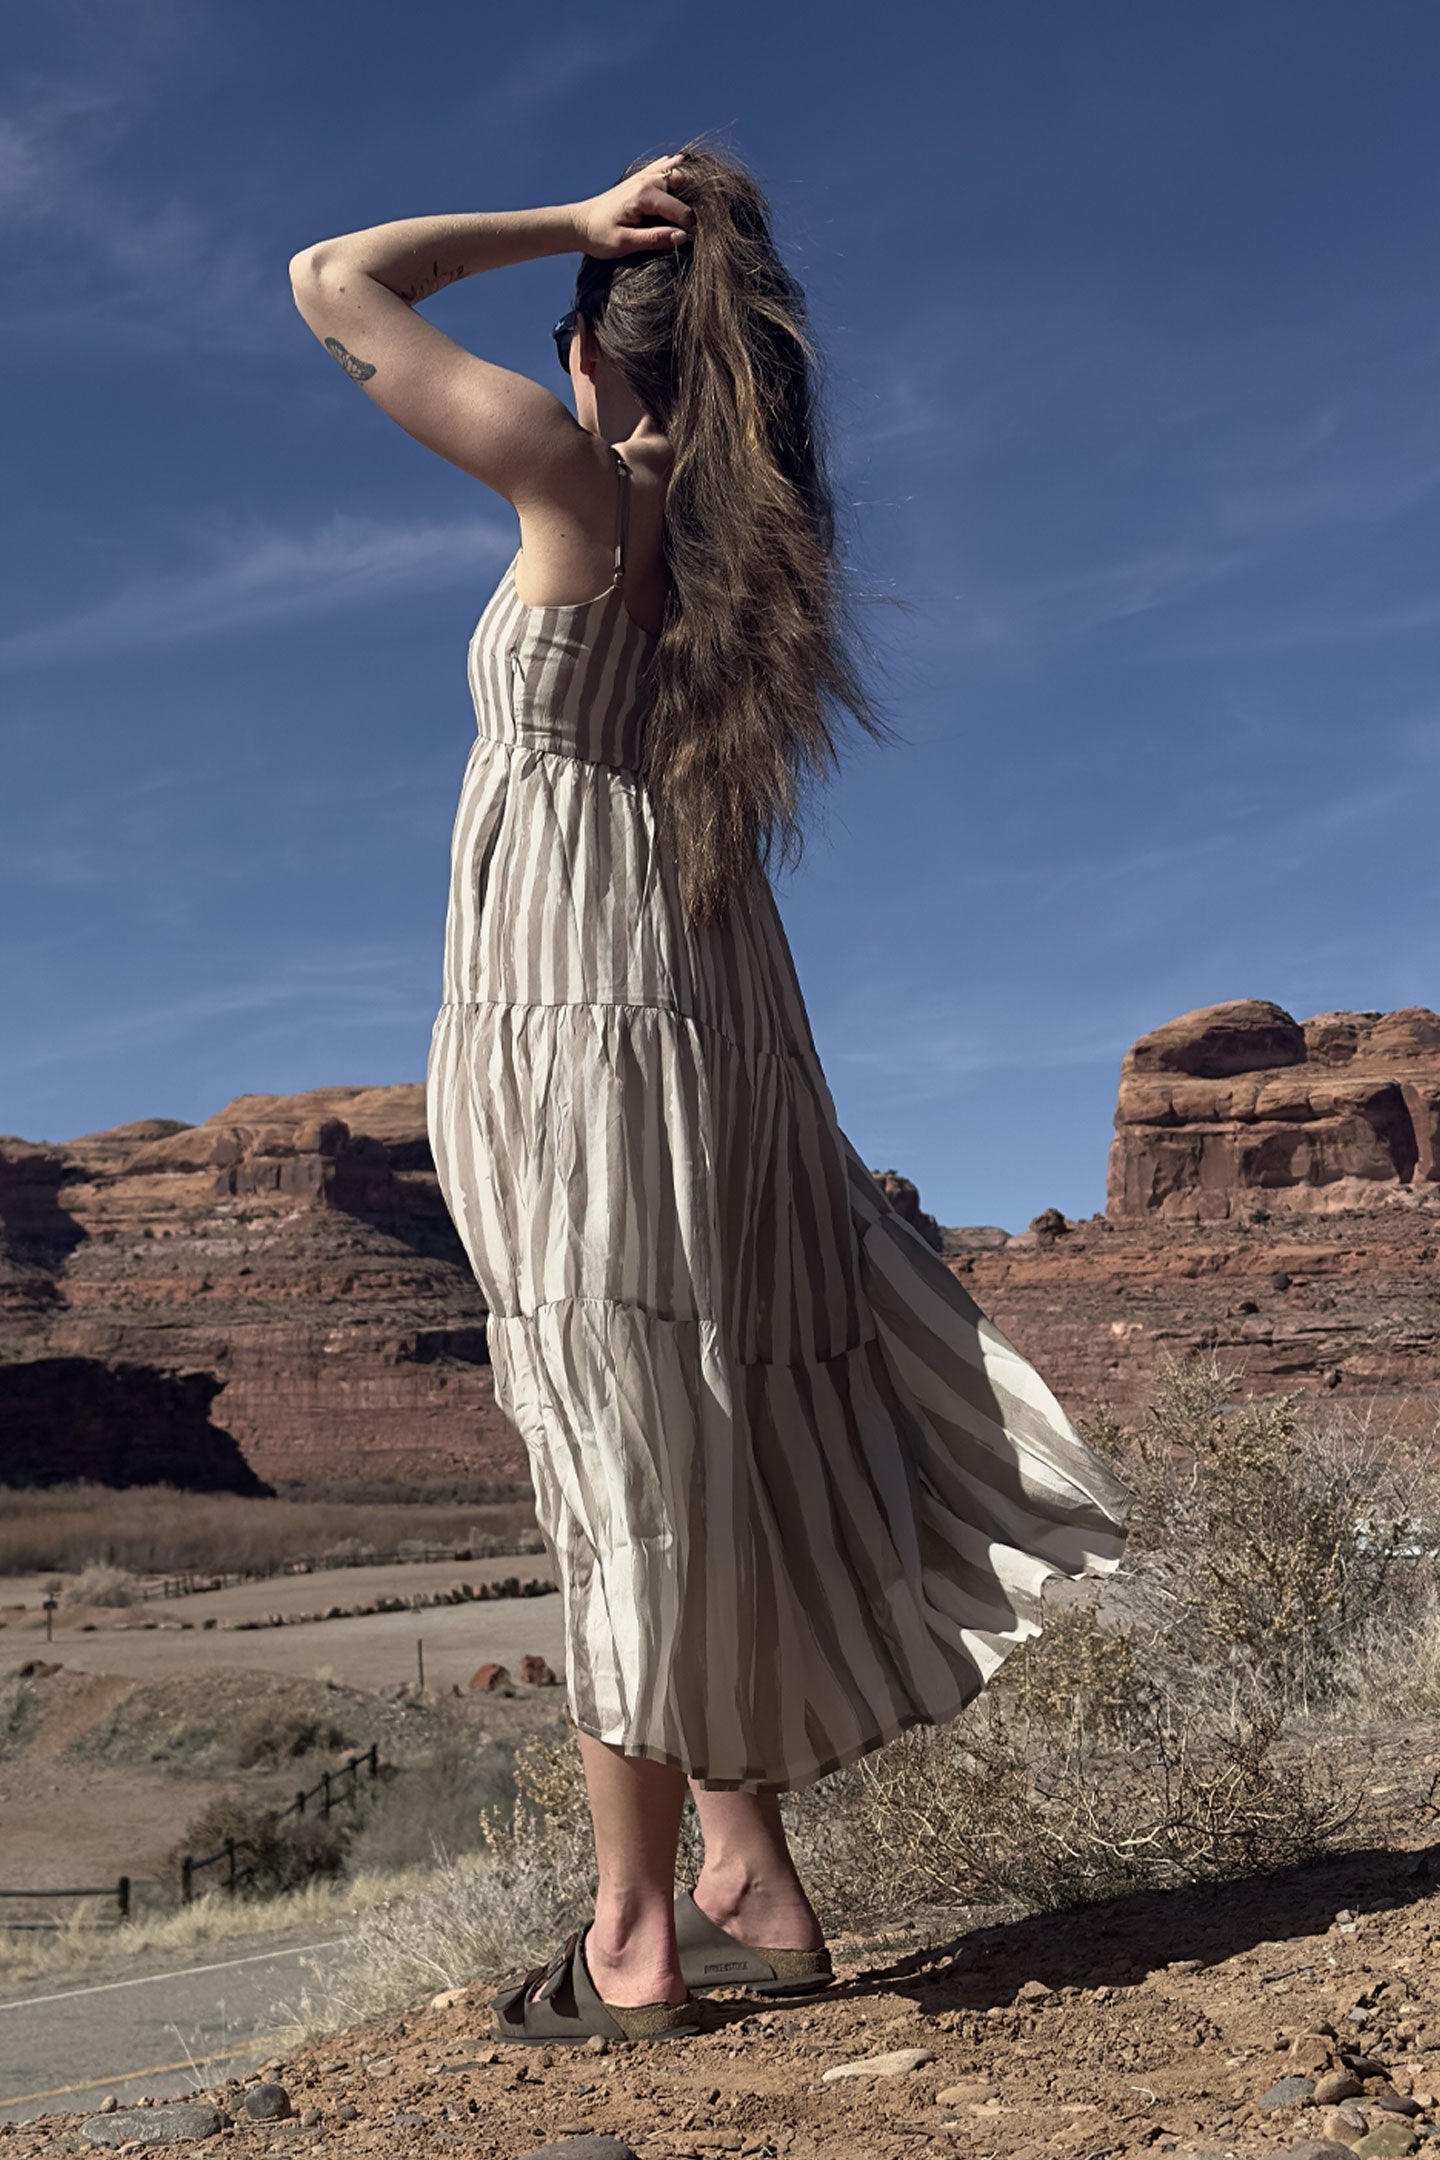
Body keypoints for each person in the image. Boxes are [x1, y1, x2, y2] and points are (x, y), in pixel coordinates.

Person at [288, 138, 1133, 2048]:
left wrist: (569, 223)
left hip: (578, 1010)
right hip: (718, 1013)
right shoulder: (755, 563)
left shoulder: (576, 483)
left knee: (620, 1447)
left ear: (593, 348)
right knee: (699, 1423)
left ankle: (629, 1937)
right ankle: (745, 1873)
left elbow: (333, 277)